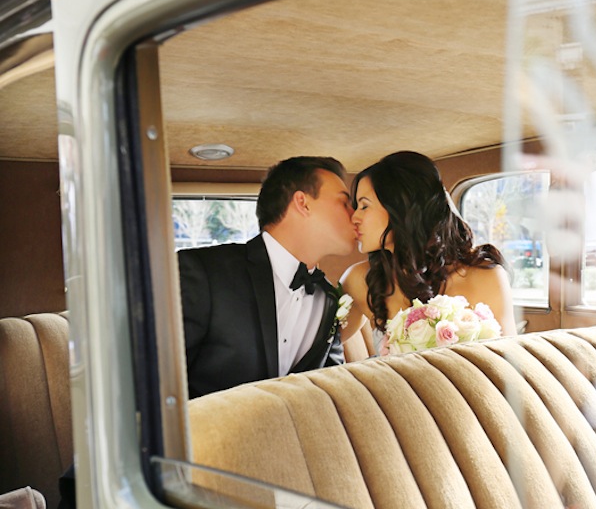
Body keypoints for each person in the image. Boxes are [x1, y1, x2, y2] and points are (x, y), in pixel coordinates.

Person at [179, 155, 357, 398]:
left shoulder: (329, 299)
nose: (354, 215)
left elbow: (331, 390)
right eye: (344, 203)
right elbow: (160, 383)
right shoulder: (204, 272)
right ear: (303, 203)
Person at [340, 151, 517, 351]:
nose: (354, 217)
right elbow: (316, 350)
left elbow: (508, 364)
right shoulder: (359, 280)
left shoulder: (486, 277)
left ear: (402, 207)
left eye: (364, 206)